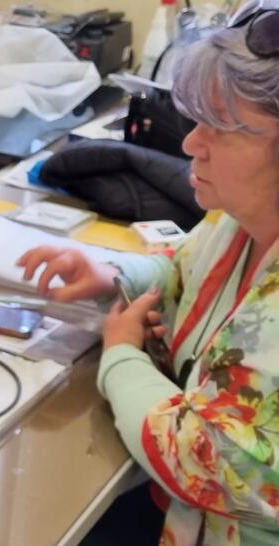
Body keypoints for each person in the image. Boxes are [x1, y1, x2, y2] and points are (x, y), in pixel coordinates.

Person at [17, 3, 279, 544]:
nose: (189, 145)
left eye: (220, 131)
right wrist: (113, 273)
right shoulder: (238, 222)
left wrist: (120, 357)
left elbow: (200, 460)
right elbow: (184, 267)